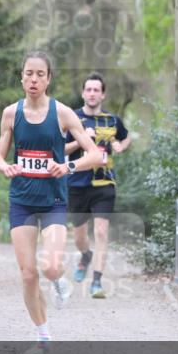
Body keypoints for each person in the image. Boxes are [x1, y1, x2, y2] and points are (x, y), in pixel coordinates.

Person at [0, 51, 103, 354]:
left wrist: (67, 167)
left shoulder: (63, 113)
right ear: (21, 77)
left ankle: (59, 281)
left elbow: (94, 155)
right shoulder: (9, 113)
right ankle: (42, 338)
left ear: (48, 78)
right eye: (29, 73)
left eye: (40, 74)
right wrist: (5, 166)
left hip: (54, 200)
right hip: (22, 201)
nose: (33, 79)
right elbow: (0, 157)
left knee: (51, 267)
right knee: (28, 274)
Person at [64, 73, 131, 299]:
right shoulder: (71, 118)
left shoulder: (112, 120)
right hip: (77, 183)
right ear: (83, 93)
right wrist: (82, 138)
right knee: (80, 236)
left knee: (101, 232)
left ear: (102, 94)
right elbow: (60, 150)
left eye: (96, 90)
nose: (92, 93)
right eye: (88, 90)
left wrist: (121, 146)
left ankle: (97, 282)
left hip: (104, 182)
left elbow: (126, 136)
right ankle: (85, 256)